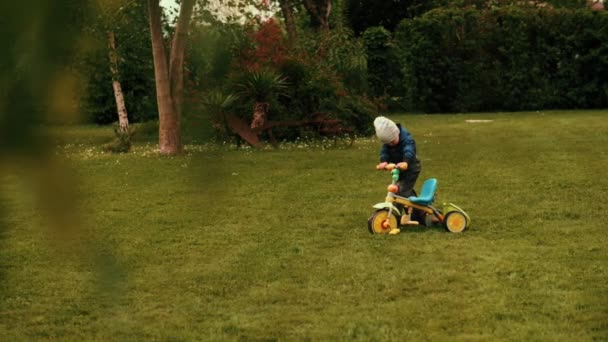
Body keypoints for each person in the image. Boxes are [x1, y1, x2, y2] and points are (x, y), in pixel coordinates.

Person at [373, 116, 423, 225]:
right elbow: (385, 151)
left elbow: (409, 150)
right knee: (406, 191)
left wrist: (406, 161)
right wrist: (384, 161)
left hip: (411, 167)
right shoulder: (389, 142)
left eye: (392, 142)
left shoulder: (406, 138)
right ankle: (420, 215)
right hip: (399, 168)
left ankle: (393, 218)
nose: (391, 144)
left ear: (396, 133)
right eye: (388, 143)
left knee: (399, 192)